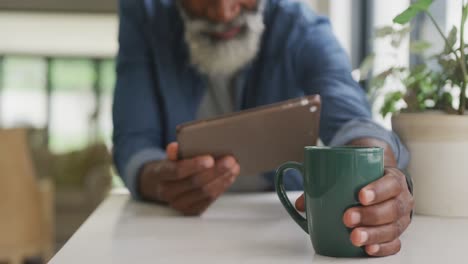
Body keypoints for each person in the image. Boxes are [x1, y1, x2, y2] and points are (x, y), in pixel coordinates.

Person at [112, 0, 414, 257]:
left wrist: (377, 170)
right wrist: (161, 181)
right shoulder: (145, 15)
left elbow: (352, 118)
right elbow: (134, 143)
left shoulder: (301, 27)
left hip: (278, 230)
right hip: (171, 238)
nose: (224, 12)